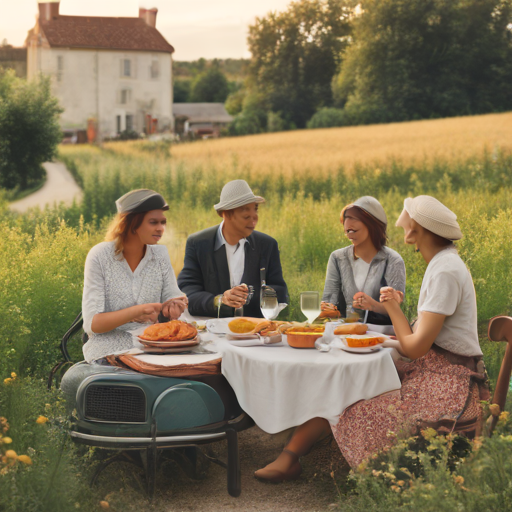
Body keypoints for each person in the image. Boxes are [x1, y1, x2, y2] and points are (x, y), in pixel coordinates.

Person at [255, 195, 487, 482]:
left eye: (408, 218)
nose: (403, 221)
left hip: (449, 380)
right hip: (434, 368)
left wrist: (389, 307)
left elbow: (415, 347)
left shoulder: (444, 272)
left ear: (417, 229)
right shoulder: (442, 264)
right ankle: (291, 454)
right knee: (347, 382)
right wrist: (385, 337)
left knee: (348, 396)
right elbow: (415, 340)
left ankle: (295, 455)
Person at [82, 189, 188, 363]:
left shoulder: (160, 254)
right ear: (132, 224)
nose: (160, 228)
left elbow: (172, 296)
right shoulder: (99, 256)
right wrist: (135, 312)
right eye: (153, 222)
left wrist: (176, 305)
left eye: (163, 222)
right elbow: (93, 324)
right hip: (108, 352)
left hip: (153, 348)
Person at [178, 179, 288, 318]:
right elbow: (188, 294)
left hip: (254, 331)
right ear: (225, 213)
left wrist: (249, 296)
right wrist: (221, 300)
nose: (253, 218)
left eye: (255, 209)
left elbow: (281, 291)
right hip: (212, 331)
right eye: (245, 212)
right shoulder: (198, 243)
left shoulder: (267, 244)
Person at [321, 196, 406, 324]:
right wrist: (324, 309)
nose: (348, 224)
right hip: (345, 332)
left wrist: (373, 306)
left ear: (372, 224)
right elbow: (329, 303)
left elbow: (396, 310)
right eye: (346, 220)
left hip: (381, 334)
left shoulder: (393, 260)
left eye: (354, 219)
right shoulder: (337, 258)